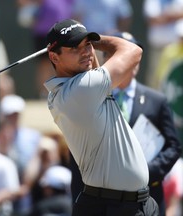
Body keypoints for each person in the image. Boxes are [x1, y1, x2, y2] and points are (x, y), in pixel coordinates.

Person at [44, 19, 159, 215]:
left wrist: (85, 41)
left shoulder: (80, 86)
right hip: (110, 206)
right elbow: (133, 51)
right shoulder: (81, 90)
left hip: (135, 203)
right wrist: (98, 40)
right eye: (75, 47)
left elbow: (93, 67)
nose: (86, 52)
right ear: (54, 57)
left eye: (87, 45)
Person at [70, 31, 182, 216]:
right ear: (107, 59)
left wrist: (145, 173)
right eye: (120, 54)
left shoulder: (156, 100)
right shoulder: (91, 98)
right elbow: (77, 151)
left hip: (147, 198)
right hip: (101, 202)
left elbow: (173, 147)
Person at [143, 0, 183, 88]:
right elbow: (153, 19)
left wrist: (165, 16)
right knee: (155, 78)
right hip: (158, 47)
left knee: (176, 77)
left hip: (177, 48)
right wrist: (175, 15)